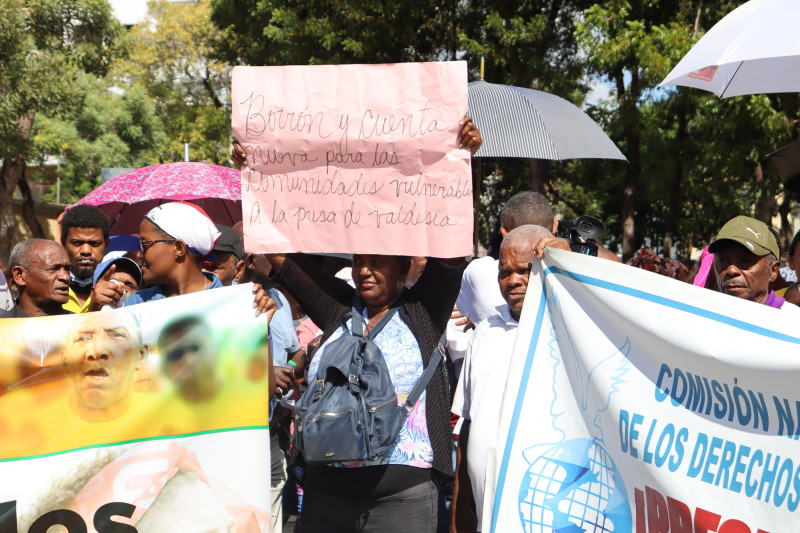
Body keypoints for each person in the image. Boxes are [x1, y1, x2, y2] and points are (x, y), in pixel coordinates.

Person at [450, 225, 552, 533]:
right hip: (486, 516)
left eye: (526, 270)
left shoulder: (564, 331)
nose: (513, 281)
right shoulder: (485, 331)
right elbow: (468, 424)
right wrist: (458, 511)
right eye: (504, 272)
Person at [62, 310, 147, 422]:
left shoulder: (164, 415)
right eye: (83, 338)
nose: (97, 351)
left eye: (117, 335)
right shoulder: (40, 419)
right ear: (65, 359)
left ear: (140, 355)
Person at [707, 215, 798, 310]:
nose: (731, 270)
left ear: (773, 270)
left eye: (745, 261)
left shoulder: (792, 321)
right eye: (722, 260)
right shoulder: (701, 314)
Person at [2, 239, 72, 318]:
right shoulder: (4, 327)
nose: (66, 277)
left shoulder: (83, 326)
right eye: (53, 269)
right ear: (19, 275)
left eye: (67, 269)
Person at [60, 205, 110, 313]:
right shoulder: (48, 289)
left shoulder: (115, 291)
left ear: (106, 245)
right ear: (64, 243)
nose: (86, 251)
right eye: (77, 243)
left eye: (94, 244)